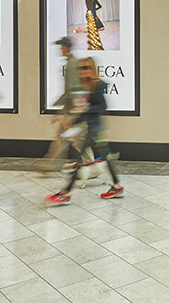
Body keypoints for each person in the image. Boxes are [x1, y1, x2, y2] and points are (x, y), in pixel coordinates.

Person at [46, 59, 124, 204]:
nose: (83, 71)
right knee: (105, 158)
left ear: (92, 68)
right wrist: (73, 123)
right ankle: (117, 185)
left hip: (95, 130)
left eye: (86, 68)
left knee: (79, 161)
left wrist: (86, 109)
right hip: (93, 128)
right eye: (80, 68)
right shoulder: (85, 86)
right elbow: (84, 111)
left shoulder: (97, 86)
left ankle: (66, 193)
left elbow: (102, 106)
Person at [39, 37, 81, 173]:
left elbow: (71, 89)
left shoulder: (71, 64)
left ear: (66, 47)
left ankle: (93, 166)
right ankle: (48, 166)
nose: (60, 49)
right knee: (68, 141)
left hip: (71, 110)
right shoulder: (72, 62)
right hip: (70, 109)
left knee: (72, 141)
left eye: (61, 47)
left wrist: (61, 104)